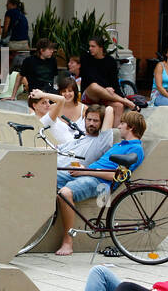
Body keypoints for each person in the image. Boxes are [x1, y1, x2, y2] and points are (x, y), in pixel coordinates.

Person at [54, 109, 145, 256]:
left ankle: (68, 241)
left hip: (101, 184)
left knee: (65, 193)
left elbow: (117, 175)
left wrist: (86, 171)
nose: (119, 126)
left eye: (122, 123)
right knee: (50, 176)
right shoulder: (120, 145)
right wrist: (83, 169)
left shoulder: (136, 148)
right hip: (89, 175)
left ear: (131, 127)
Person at [79, 37, 135, 119]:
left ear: (100, 47)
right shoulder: (85, 58)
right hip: (90, 94)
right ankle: (126, 102)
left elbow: (115, 83)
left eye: (93, 46)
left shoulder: (110, 61)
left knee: (119, 106)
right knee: (94, 86)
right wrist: (106, 88)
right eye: (89, 46)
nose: (90, 48)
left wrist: (120, 95)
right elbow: (89, 79)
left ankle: (115, 131)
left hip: (104, 95)